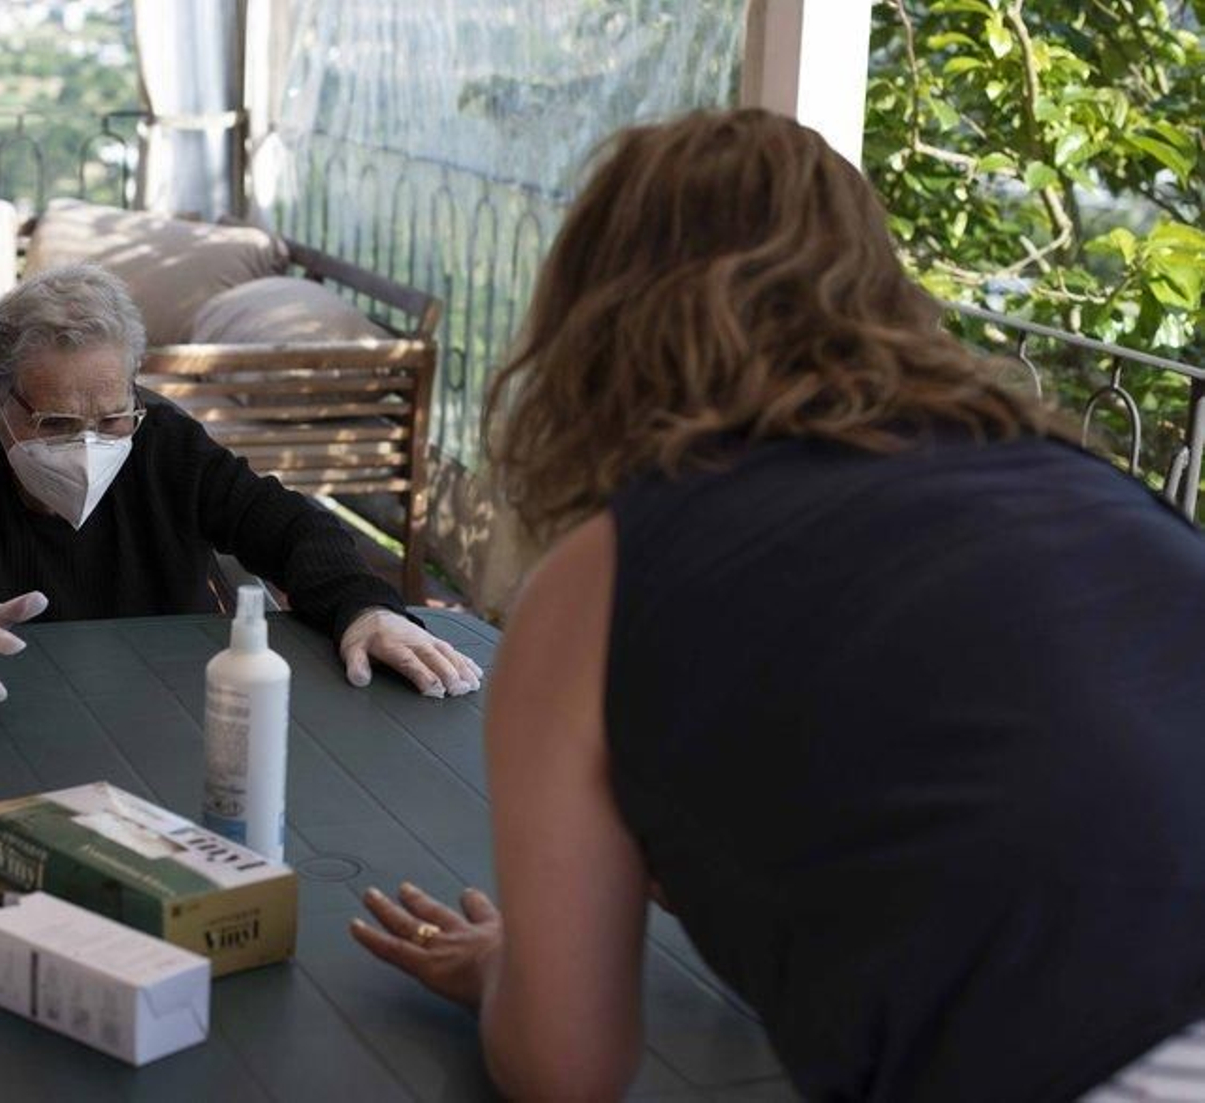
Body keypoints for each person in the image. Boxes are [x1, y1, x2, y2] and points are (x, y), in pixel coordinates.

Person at [349, 108, 1205, 1101]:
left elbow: (563, 1069)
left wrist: (509, 971)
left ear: (597, 324)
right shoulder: (1073, 480)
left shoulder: (602, 579)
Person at [0, 263, 481, 728]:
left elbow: (289, 526)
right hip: (2, 724)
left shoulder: (165, 449)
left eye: (113, 418)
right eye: (56, 424)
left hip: (168, 718)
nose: (89, 446)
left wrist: (362, 607)